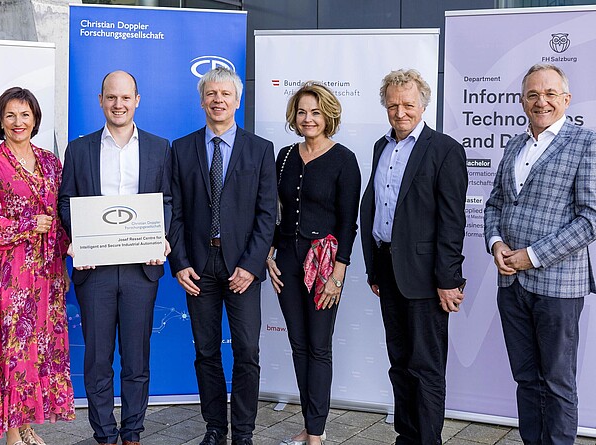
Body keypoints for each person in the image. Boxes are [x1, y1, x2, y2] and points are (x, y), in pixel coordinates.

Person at [484, 64, 596, 445]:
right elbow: (495, 203)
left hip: (558, 286)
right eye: (533, 94)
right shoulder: (515, 144)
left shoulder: (586, 143)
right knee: (526, 378)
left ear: (566, 99)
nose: (541, 101)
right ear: (522, 101)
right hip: (510, 283)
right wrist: (496, 243)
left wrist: (532, 255)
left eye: (550, 94)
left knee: (558, 382)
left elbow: (591, 219)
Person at [58, 70, 172, 445]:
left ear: (137, 100)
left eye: (125, 98)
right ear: (101, 100)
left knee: (137, 361)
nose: (118, 104)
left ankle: (133, 433)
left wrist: (162, 236)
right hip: (96, 271)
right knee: (97, 361)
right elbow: (66, 201)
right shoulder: (80, 149)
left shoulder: (160, 148)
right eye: (111, 97)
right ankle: (104, 434)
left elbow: (167, 201)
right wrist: (81, 239)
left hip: (142, 269)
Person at [168, 66, 276, 445]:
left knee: (247, 350)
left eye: (225, 94)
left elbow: (267, 215)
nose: (218, 100)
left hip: (242, 268)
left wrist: (250, 265)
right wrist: (179, 263)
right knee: (206, 350)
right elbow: (174, 212)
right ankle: (215, 428)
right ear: (202, 100)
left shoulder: (261, 150)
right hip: (198, 267)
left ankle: (243, 432)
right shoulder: (180, 149)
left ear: (237, 100)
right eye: (211, 94)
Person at [359, 68, 467, 445]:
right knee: (400, 365)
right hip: (387, 270)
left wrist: (449, 279)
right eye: (393, 104)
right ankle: (406, 437)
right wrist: (373, 267)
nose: (400, 111)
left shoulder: (445, 150)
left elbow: (452, 221)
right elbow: (377, 207)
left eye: (408, 104)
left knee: (426, 368)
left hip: (425, 277)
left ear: (423, 105)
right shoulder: (380, 146)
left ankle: (428, 441)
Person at [0, 87, 75, 445]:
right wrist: (27, 225)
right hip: (6, 274)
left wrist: (63, 262)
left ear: (35, 119)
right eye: (10, 115)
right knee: (11, 348)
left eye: (25, 115)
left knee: (37, 349)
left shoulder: (49, 161)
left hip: (45, 272)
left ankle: (27, 424)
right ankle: (12, 432)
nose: (18, 122)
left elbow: (60, 217)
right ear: (0, 120)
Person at [266, 82, 361, 445]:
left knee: (319, 345)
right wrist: (268, 254)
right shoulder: (286, 156)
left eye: (316, 112)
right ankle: (308, 423)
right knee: (299, 344)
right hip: (288, 262)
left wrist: (338, 274)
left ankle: (316, 433)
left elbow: (348, 222)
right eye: (303, 111)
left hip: (324, 266)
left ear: (329, 115)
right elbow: (277, 213)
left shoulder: (344, 159)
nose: (309, 118)